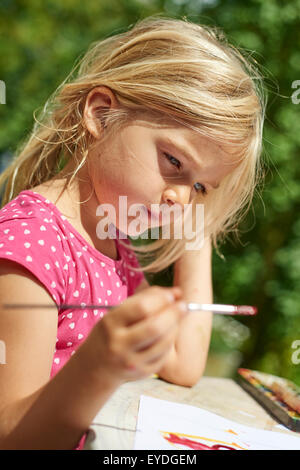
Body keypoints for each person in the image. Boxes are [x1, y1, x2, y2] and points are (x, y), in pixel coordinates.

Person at [0, 16, 265, 449]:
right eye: (175, 163)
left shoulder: (113, 250)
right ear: (102, 114)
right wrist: (99, 366)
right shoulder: (34, 245)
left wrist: (196, 231)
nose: (183, 199)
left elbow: (182, 361)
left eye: (201, 187)